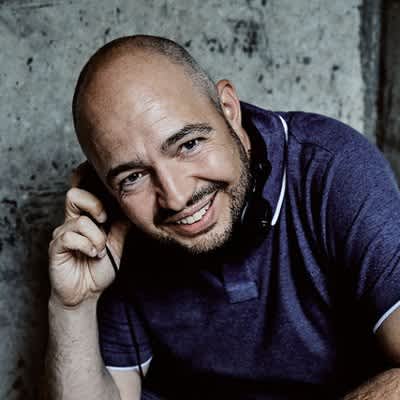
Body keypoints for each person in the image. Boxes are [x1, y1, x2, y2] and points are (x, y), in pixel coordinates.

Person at [44, 34, 400, 400]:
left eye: (189, 144)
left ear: (228, 109)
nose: (176, 197)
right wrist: (73, 307)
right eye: (133, 177)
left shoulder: (334, 170)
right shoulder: (119, 233)